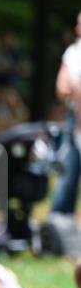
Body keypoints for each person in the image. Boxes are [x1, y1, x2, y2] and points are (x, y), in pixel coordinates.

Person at [50, 11, 81, 217]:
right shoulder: (73, 51)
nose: (77, 29)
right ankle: (59, 221)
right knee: (68, 172)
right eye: (77, 24)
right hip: (75, 120)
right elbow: (62, 87)